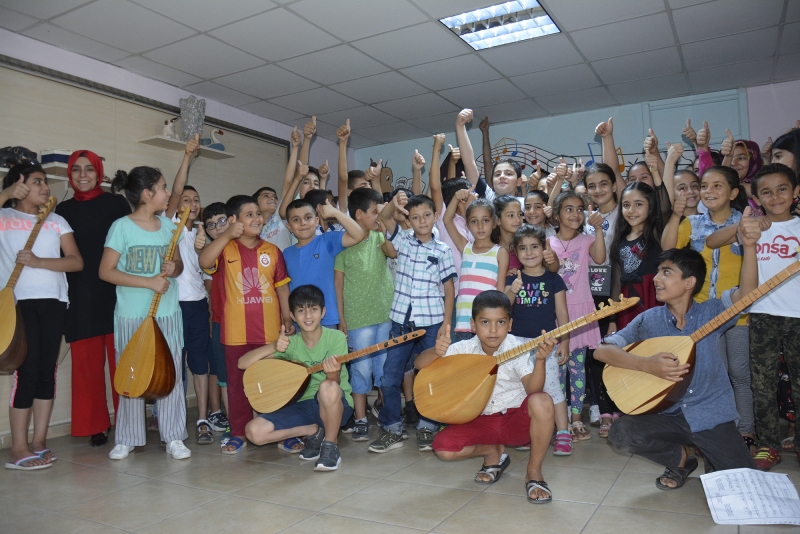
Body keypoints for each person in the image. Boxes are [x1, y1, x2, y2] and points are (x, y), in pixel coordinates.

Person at [597, 241, 761, 488]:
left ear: (689, 282)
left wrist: (749, 246)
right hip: (667, 415)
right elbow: (602, 351)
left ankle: (713, 455)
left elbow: (747, 295)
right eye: (658, 271)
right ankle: (680, 458)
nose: (655, 279)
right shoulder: (648, 319)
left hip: (710, 416)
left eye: (666, 272)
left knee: (744, 484)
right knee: (621, 433)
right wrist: (646, 364)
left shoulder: (712, 313)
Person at [418, 291, 557, 503]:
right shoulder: (462, 349)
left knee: (543, 400)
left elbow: (533, 390)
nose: (493, 330)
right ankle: (492, 452)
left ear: (510, 324)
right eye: (485, 322)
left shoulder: (517, 349)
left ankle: (534, 473)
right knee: (443, 449)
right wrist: (436, 352)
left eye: (500, 322)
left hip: (514, 423)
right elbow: (419, 364)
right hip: (478, 421)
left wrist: (540, 361)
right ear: (473, 324)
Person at [705, 163, 800, 469]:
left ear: (796, 193)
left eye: (782, 189)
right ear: (757, 199)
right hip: (760, 315)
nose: (775, 197)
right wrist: (744, 226)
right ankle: (768, 444)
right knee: (762, 384)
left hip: (798, 316)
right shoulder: (754, 227)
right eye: (766, 192)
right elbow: (712, 241)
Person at [662, 166, 756, 453]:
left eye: (717, 186)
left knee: (740, 374)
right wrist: (677, 215)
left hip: (738, 313)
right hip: (703, 315)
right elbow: (667, 249)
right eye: (704, 186)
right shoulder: (693, 223)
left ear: (734, 193)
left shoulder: (747, 223)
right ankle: (714, 433)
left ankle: (746, 431)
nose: (708, 191)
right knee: (713, 375)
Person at [100, 166, 189, 461]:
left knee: (170, 375)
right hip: (132, 315)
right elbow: (106, 271)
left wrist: (173, 268)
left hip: (166, 315)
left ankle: (174, 436)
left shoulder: (168, 227)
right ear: (147, 194)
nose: (167, 194)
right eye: (163, 188)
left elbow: (179, 265)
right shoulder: (121, 227)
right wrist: (148, 281)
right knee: (131, 375)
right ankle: (126, 437)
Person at [1, 164, 83, 470]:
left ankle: (39, 442)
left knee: (47, 372)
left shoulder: (57, 220)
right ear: (19, 185)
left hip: (54, 302)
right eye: (38, 182)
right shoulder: (5, 217)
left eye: (45, 182)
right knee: (27, 372)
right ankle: (18, 448)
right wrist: (6, 194)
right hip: (18, 304)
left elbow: (76, 262)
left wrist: (38, 261)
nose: (45, 187)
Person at [198, 195, 292, 455]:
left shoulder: (272, 251)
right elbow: (204, 262)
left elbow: (282, 290)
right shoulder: (224, 248)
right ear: (234, 220)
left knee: (273, 383)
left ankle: (283, 429)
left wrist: (286, 318)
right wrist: (226, 234)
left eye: (257, 214)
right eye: (249, 214)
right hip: (235, 333)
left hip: (270, 334)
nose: (256, 218)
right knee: (237, 385)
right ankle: (238, 431)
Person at [370, 192, 456, 453]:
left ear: (435, 217)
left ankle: (428, 427)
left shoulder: (442, 250)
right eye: (415, 217)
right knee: (390, 376)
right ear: (410, 219)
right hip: (401, 322)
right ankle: (392, 429)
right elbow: (384, 217)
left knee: (431, 375)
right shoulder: (403, 241)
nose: (421, 221)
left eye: (427, 216)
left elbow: (449, 290)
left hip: (432, 321)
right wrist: (394, 205)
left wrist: (446, 324)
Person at [55, 150, 130, 447]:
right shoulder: (61, 211)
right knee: (86, 369)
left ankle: (127, 423)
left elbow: (130, 244)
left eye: (89, 169)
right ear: (69, 175)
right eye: (76, 170)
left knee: (121, 366)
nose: (83, 175)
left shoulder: (116, 204)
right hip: (79, 299)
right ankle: (95, 425)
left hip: (116, 294)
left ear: (99, 173)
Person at [239, 285, 354, 472]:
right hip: (304, 406)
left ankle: (330, 446)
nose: (308, 316)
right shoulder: (290, 344)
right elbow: (243, 363)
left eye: (313, 309)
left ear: (323, 312)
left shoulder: (336, 337)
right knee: (254, 432)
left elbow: (334, 381)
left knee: (327, 387)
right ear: (292, 316)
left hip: (337, 405)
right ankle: (312, 431)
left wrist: (331, 371)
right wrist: (274, 346)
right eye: (301, 311)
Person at [333, 187, 396, 441]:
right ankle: (360, 419)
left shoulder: (379, 237)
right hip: (358, 318)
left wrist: (384, 229)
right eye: (374, 212)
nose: (377, 216)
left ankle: (384, 412)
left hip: (384, 313)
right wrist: (342, 319)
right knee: (360, 370)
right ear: (359, 215)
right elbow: (337, 284)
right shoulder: (343, 244)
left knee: (383, 369)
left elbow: (393, 253)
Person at [504, 225, 571, 454]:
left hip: (547, 343)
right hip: (517, 344)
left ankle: (563, 432)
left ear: (544, 249)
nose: (529, 252)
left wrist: (564, 341)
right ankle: (526, 432)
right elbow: (503, 307)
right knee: (523, 389)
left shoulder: (554, 279)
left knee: (552, 387)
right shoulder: (513, 278)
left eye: (535, 247)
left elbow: (562, 314)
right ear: (516, 251)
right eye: (523, 248)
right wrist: (512, 290)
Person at [549, 192, 605, 440]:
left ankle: (576, 420)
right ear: (558, 213)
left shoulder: (586, 240)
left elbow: (601, 258)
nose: (575, 213)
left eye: (579, 209)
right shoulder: (548, 242)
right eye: (569, 209)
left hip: (581, 313)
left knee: (578, 370)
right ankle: (559, 421)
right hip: (556, 313)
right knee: (557, 370)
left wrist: (599, 229)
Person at [282, 198, 364, 329]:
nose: (303, 223)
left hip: (327, 318)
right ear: (289, 226)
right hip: (299, 322)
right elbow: (284, 290)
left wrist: (336, 213)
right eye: (296, 220)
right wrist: (287, 318)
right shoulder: (286, 254)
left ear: (317, 221)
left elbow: (358, 235)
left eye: (308, 217)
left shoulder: (327, 241)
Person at [444, 192, 508, 339]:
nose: (480, 226)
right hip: (464, 323)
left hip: (487, 324)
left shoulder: (500, 252)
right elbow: (447, 220)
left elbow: (500, 292)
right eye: (474, 221)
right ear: (467, 224)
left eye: (485, 220)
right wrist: (455, 197)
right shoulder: (465, 248)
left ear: (494, 222)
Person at [609, 182, 663, 330]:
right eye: (626, 205)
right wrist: (612, 320)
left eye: (638, 204)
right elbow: (616, 284)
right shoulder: (619, 240)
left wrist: (659, 171)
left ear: (651, 206)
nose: (631, 210)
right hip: (626, 304)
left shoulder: (656, 234)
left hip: (652, 299)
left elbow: (665, 207)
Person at [199, 203, 230, 441]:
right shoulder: (211, 253)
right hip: (222, 320)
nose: (218, 228)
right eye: (211, 225)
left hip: (250, 321)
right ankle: (231, 421)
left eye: (222, 221)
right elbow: (211, 290)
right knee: (224, 376)